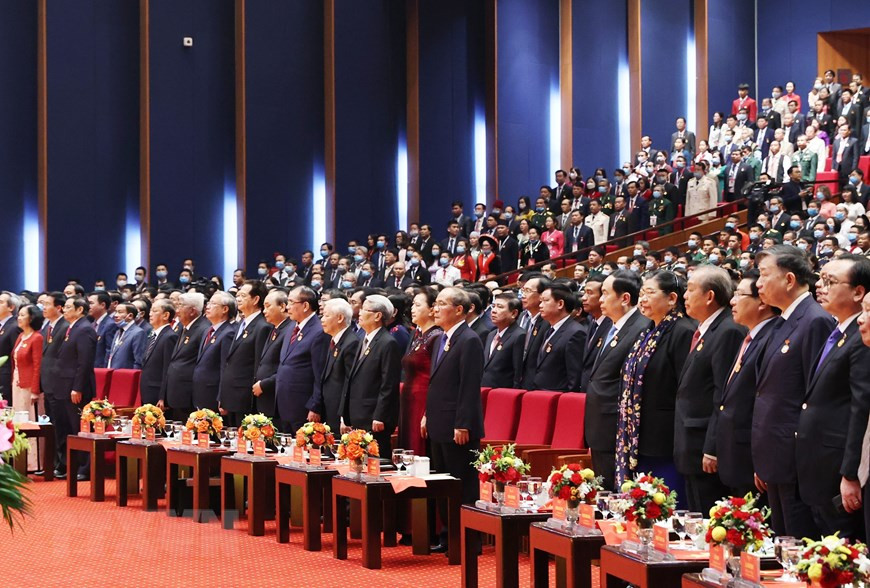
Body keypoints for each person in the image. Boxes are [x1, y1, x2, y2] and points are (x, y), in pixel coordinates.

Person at [754, 245, 836, 538]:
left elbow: (814, 397)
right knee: (781, 545)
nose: (758, 284)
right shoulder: (783, 321)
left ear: (789, 279)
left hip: (796, 460)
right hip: (775, 456)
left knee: (797, 548)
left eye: (764, 275)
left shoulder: (815, 321)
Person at [796, 255, 870, 538]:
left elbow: (860, 408)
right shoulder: (839, 331)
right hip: (817, 465)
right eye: (820, 279)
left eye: (830, 281)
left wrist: (850, 473)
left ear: (858, 292)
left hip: (837, 468)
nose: (819, 286)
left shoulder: (862, 338)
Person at [614, 271, 693, 500]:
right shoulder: (647, 330)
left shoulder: (683, 331)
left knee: (664, 503)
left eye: (650, 293)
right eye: (641, 294)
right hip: (638, 435)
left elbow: (684, 387)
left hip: (664, 438)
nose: (643, 299)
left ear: (672, 299)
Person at [674, 266, 746, 513]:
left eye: (690, 289)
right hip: (691, 443)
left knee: (709, 518)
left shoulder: (728, 330)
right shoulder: (706, 328)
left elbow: (723, 394)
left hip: (706, 446)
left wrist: (712, 448)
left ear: (709, 296)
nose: (685, 295)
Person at [422, 287, 484, 553]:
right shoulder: (439, 339)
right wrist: (426, 414)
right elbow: (436, 384)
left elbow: (468, 386)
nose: (435, 308)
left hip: (458, 426)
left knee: (462, 483)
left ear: (459, 310)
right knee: (443, 482)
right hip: (438, 421)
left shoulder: (469, 339)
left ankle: (468, 539)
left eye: (442, 304)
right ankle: (448, 536)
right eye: (434, 304)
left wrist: (463, 423)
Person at [585, 270, 652, 490]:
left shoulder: (641, 327)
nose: (600, 299)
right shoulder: (611, 325)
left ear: (625, 298)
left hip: (618, 426)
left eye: (605, 293)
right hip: (600, 425)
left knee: (616, 497)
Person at [714, 270, 778, 497]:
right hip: (734, 453)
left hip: (752, 457)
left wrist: (763, 459)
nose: (732, 301)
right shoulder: (750, 336)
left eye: (740, 295)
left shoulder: (771, 337)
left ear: (762, 302)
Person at [338, 294, 401, 456]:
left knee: (375, 462)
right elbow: (351, 377)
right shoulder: (363, 338)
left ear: (378, 315)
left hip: (374, 417)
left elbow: (388, 384)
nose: (358, 312)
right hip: (358, 413)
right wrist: (344, 414)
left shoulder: (388, 342)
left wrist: (380, 416)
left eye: (365, 309)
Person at [275, 286, 330, 433]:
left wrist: (315, 405)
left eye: (291, 302)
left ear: (305, 305)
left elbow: (319, 374)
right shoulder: (291, 327)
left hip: (303, 406)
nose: (287, 306)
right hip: (284, 403)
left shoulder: (319, 331)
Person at [54, 297, 97, 480]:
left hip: (76, 387)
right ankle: (76, 465)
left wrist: (77, 387)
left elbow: (84, 362)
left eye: (69, 307)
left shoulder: (85, 329)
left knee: (81, 427)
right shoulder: (72, 327)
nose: (64, 309)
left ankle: (86, 468)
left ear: (80, 310)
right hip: (64, 384)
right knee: (71, 428)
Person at [218, 281, 271, 427]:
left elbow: (258, 364)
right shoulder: (241, 323)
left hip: (246, 396)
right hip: (232, 394)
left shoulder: (262, 326)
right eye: (237, 295)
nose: (238, 299)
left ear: (256, 299)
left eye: (243, 295)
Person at [399, 287, 442, 456]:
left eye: (417, 305)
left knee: (419, 450)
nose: (412, 309)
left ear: (432, 309)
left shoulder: (436, 336)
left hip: (422, 400)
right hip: (409, 400)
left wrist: (428, 412)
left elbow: (436, 378)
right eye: (412, 305)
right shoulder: (416, 335)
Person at [162, 291, 210, 420]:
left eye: (181, 306)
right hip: (176, 391)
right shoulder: (184, 327)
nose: (177, 311)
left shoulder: (203, 329)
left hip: (188, 393)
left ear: (192, 311)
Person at [317, 297, 359, 435]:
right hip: (329, 409)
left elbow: (350, 382)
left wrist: (344, 416)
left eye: (326, 315)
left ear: (340, 318)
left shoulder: (351, 343)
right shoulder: (335, 339)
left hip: (339, 414)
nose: (322, 319)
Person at [532, 285, 586, 391]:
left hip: (558, 398)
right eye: (540, 301)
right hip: (540, 395)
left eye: (545, 301)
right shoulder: (549, 330)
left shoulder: (575, 332)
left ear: (560, 304)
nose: (540, 305)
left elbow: (574, 377)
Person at [11, 304, 44, 471]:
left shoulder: (36, 337)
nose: (19, 317)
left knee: (30, 422)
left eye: (22, 315)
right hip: (17, 382)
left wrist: (35, 389)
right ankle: (20, 460)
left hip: (29, 385)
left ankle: (34, 463)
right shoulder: (20, 337)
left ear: (31, 318)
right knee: (18, 422)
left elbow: (38, 365)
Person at [192, 291, 236, 412]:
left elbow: (224, 368)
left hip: (213, 393)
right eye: (208, 303)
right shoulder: (208, 330)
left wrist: (222, 397)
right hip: (200, 391)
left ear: (225, 309)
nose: (208, 306)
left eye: (213, 303)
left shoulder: (228, 332)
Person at [251, 289, 290, 417]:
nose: (264, 311)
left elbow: (284, 366)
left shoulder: (289, 331)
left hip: (275, 394)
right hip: (264, 397)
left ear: (283, 307)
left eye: (268, 306)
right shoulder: (275, 328)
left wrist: (264, 384)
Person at [139, 299, 178, 406]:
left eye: (155, 311)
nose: (150, 314)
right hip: (147, 390)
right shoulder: (153, 335)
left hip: (157, 392)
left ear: (165, 315)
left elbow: (167, 369)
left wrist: (162, 396)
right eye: (150, 310)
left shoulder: (170, 336)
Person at [482, 293, 524, 389]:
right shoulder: (491, 334)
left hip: (503, 393)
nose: (494, 311)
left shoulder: (519, 335)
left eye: (500, 307)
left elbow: (517, 372)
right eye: (493, 306)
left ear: (514, 313)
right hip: (484, 389)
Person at [106, 303, 146, 370]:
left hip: (126, 376)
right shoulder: (118, 331)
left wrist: (132, 378)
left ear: (130, 316)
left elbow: (138, 361)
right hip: (112, 373)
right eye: (116, 312)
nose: (115, 315)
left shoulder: (138, 333)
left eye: (120, 312)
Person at [0, 292, 23, 404]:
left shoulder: (14, 326)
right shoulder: (2, 325)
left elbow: (16, 354)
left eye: (1, 302)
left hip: (6, 375)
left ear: (11, 307)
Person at [87, 290, 118, 369]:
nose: (88, 306)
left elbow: (109, 352)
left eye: (91, 303)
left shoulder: (110, 325)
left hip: (101, 370)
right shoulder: (91, 324)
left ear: (102, 305)